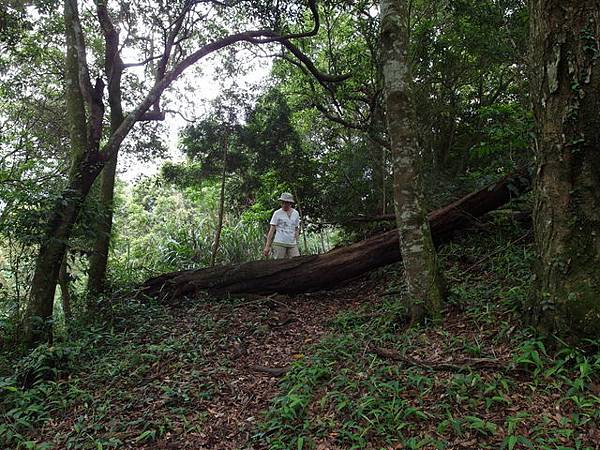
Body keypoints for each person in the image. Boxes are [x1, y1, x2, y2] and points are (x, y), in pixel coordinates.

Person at [263, 192, 301, 259]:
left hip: (292, 243)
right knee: (279, 264)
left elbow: (296, 228)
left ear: (290, 203)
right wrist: (267, 246)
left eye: (286, 202)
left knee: (297, 260)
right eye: (282, 202)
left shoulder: (296, 213)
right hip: (279, 243)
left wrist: (297, 241)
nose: (284, 204)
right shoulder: (277, 213)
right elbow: (271, 230)